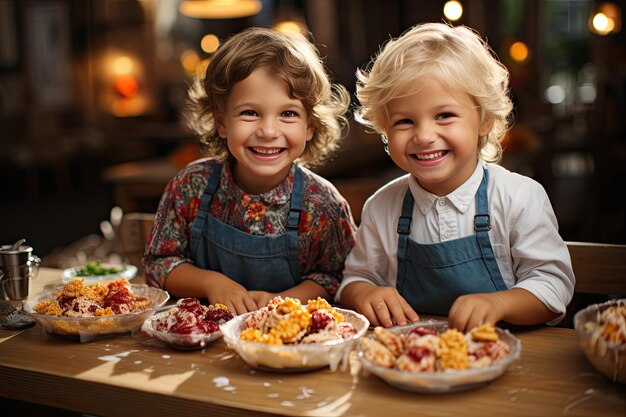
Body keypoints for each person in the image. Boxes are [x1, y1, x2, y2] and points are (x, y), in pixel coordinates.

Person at [337, 22, 575, 332]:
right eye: (405, 121)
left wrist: (499, 303)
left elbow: (553, 287)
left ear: (485, 120)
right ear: (385, 131)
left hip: (512, 359)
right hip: (413, 362)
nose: (424, 136)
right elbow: (354, 280)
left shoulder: (518, 197)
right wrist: (364, 292)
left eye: (444, 116)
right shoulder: (381, 207)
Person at [144, 27, 356, 315]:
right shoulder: (191, 186)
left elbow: (337, 279)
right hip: (201, 338)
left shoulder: (322, 204)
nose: (268, 131)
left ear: (309, 127)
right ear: (221, 123)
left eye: (288, 114)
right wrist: (211, 283)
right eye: (250, 113)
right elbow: (159, 263)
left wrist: (280, 302)